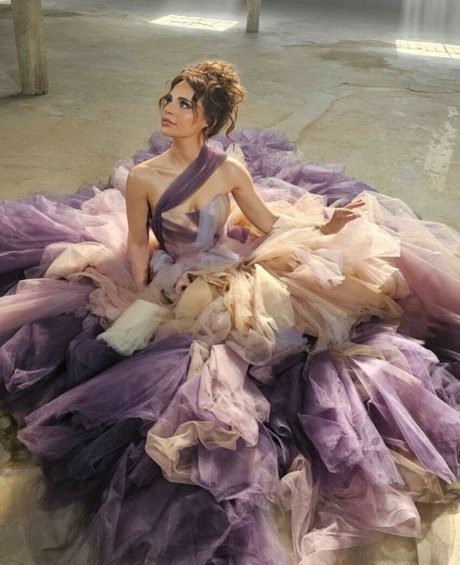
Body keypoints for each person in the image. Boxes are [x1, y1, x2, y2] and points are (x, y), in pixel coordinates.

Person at [0, 60, 459, 565]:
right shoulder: (144, 177)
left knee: (279, 337)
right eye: (168, 99)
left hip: (228, 265)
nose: (169, 109)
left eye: (184, 104)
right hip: (173, 272)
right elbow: (135, 241)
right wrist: (145, 289)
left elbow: (268, 223)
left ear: (207, 120)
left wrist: (327, 228)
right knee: (156, 350)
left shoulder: (229, 170)